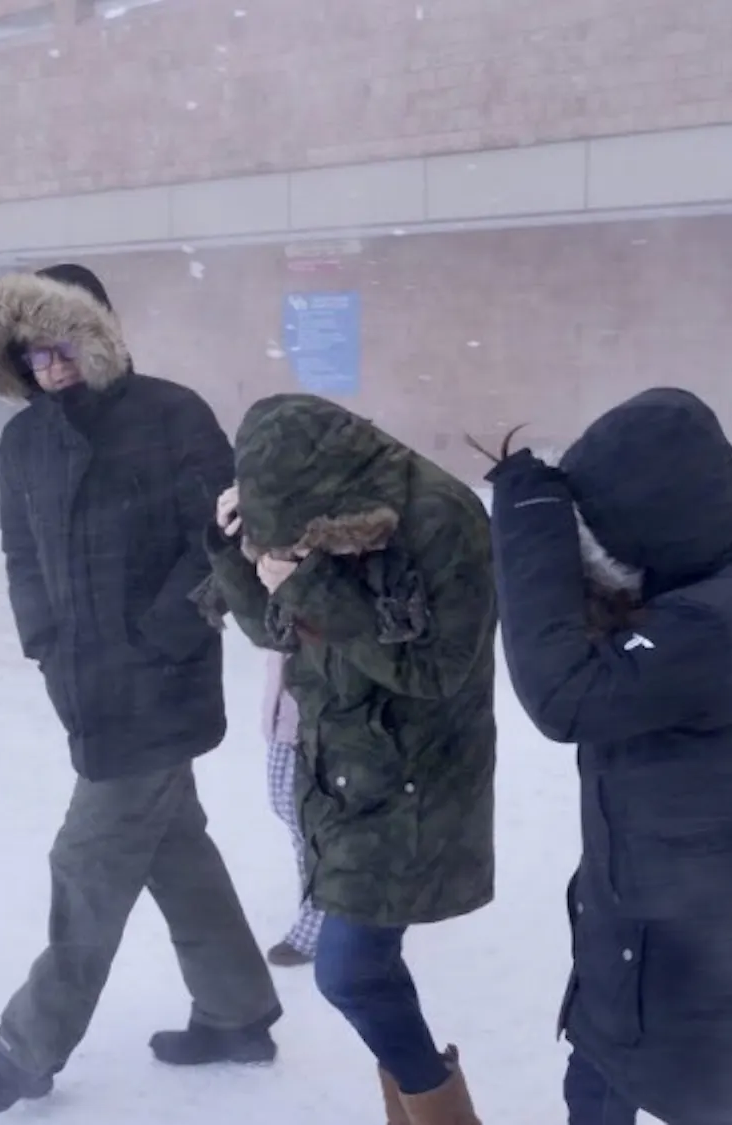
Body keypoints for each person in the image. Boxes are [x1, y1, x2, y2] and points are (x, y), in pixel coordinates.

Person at [0, 263, 281, 1115]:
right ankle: (237, 1011)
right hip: (84, 683)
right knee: (175, 849)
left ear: (95, 336)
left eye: (59, 349)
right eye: (31, 356)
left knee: (87, 862)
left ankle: (25, 1049)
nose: (48, 369)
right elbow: (22, 554)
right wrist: (46, 644)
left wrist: (157, 636)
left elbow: (224, 543)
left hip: (161, 683)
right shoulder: (24, 442)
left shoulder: (173, 416)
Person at [483, 386, 732, 1125]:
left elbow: (565, 697)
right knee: (597, 1090)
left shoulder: (720, 616)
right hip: (645, 925)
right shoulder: (708, 585)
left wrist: (531, 520)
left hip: (712, 948)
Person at [195, 394, 496, 1125]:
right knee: (370, 971)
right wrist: (234, 551)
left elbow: (437, 669)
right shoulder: (304, 515)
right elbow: (274, 632)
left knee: (349, 971)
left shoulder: (442, 517)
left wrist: (306, 583)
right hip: (335, 767)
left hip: (419, 776)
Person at [261, 649, 328, 967]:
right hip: (285, 719)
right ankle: (317, 909)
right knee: (288, 809)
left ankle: (320, 922)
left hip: (317, 725)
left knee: (314, 828)